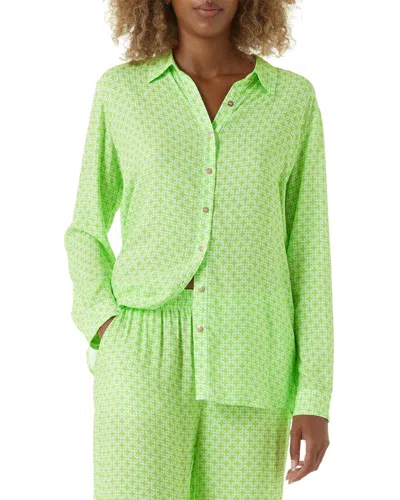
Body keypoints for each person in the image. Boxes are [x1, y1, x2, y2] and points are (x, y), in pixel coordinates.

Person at [64, 0, 334, 498]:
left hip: (253, 353)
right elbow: (86, 227)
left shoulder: (291, 101)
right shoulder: (121, 92)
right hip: (143, 352)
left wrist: (314, 396)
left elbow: (309, 253)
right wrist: (105, 323)